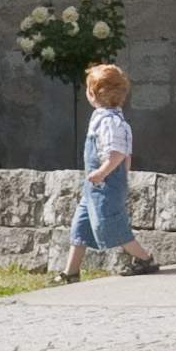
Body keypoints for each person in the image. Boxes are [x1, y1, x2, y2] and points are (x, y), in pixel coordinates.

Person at [60, 60, 150, 280]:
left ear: (92, 94)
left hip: (105, 181)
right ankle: (70, 272)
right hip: (95, 184)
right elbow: (125, 154)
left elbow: (118, 153)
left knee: (110, 223)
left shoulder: (110, 121)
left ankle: (145, 259)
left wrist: (102, 172)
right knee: (80, 226)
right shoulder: (104, 118)